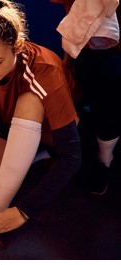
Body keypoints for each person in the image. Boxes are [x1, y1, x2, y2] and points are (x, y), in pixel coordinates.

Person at [0, 0, 81, 248]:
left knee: (30, 98)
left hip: (58, 129)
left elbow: (72, 156)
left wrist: (23, 211)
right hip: (16, 123)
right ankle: (30, 152)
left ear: (18, 46)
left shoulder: (46, 69)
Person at [52, 0, 121, 195]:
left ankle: (104, 159)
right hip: (85, 55)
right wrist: (66, 65)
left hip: (110, 58)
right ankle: (89, 156)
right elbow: (72, 20)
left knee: (110, 76)